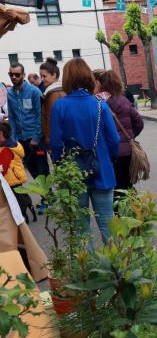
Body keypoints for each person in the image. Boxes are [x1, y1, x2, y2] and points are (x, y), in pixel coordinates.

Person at [51, 58, 119, 243]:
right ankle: (115, 261)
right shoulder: (100, 104)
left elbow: (56, 143)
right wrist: (109, 158)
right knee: (107, 225)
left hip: (74, 172)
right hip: (101, 169)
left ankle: (87, 262)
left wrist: (59, 164)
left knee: (81, 228)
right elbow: (114, 139)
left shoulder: (60, 106)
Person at [94, 69, 144, 198]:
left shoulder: (98, 102)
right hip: (128, 151)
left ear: (100, 84)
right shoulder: (123, 100)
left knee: (115, 188)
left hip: (110, 152)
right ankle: (133, 208)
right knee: (127, 185)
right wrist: (129, 137)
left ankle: (119, 210)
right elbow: (139, 123)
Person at [6, 63, 49, 182]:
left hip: (35, 139)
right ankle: (42, 192)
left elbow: (40, 116)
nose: (13, 77)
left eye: (17, 74)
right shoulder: (9, 94)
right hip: (21, 139)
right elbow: (12, 117)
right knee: (31, 168)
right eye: (11, 74)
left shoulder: (34, 91)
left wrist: (36, 137)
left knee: (42, 169)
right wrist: (13, 139)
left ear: (23, 75)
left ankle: (48, 193)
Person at [40, 57, 65, 150]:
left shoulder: (53, 93)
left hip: (56, 139)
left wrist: (48, 138)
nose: (42, 79)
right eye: (41, 76)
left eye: (44, 76)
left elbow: (50, 118)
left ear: (54, 75)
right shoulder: (63, 88)